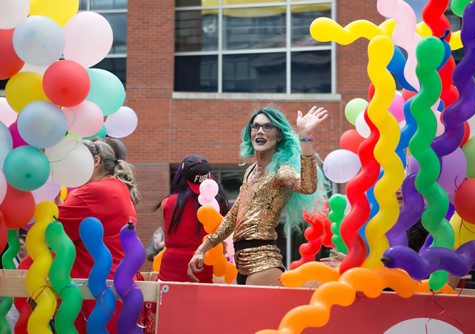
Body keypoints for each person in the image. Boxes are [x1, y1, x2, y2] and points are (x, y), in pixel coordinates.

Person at [188, 106, 329, 286]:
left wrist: (305, 136)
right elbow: (233, 218)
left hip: (263, 264)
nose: (260, 131)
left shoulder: (281, 169)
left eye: (268, 127)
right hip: (241, 263)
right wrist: (201, 249)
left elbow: (308, 186)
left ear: (279, 135)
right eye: (256, 126)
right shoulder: (250, 171)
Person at [58, 137, 140, 333]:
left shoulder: (92, 192)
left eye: (75, 161)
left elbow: (51, 231)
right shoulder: (118, 187)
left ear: (95, 161)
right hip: (113, 287)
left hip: (94, 291)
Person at [157, 154, 229, 283]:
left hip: (170, 268)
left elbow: (167, 233)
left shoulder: (167, 203)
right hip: (202, 266)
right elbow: (223, 242)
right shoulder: (220, 205)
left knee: (168, 302)